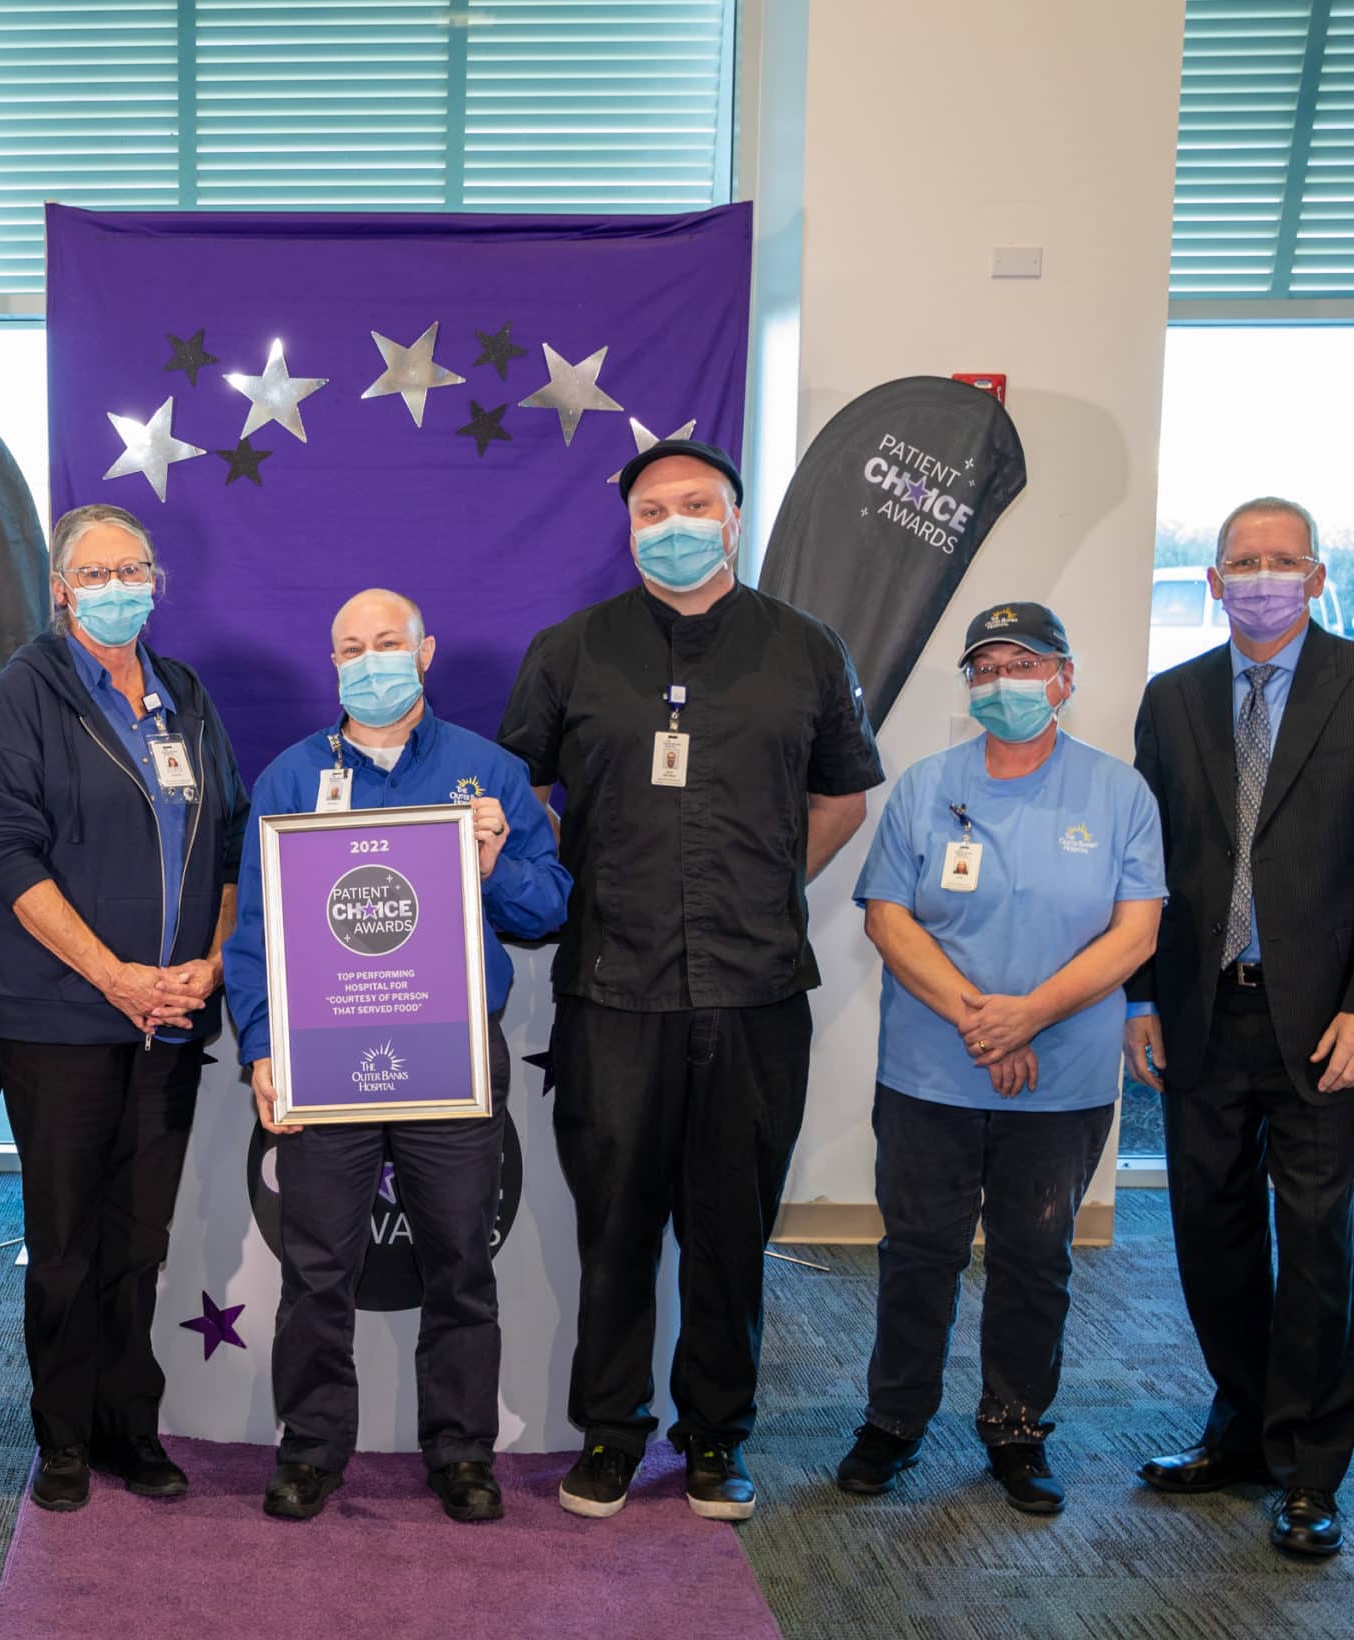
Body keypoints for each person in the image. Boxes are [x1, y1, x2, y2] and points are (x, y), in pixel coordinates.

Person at [497, 437, 884, 1524]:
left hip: (754, 989)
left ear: (732, 516)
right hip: (613, 990)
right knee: (613, 1225)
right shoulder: (570, 650)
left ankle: (717, 1436)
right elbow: (521, 796)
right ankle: (611, 1433)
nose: (673, 522)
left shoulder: (803, 648)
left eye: (695, 503)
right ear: (627, 528)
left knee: (730, 1223)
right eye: (651, 508)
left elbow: (842, 798)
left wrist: (761, 883)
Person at [1125, 498, 1354, 1559]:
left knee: (1311, 1239)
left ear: (1315, 574)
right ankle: (1243, 1425)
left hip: (1328, 1018)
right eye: (1241, 561)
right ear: (1212, 582)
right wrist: (1136, 999)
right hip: (1201, 1008)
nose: (1261, 575)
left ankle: (1308, 1468)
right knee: (1206, 1231)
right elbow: (1148, 868)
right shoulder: (1170, 700)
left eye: (1281, 559)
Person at [223, 588, 570, 1524]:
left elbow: (551, 909)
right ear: (330, 662)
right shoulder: (292, 779)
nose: (368, 660)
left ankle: (461, 1454)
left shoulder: (489, 771)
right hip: (324, 1059)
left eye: (387, 643)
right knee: (318, 1269)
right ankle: (311, 1449)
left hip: (449, 1055)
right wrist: (262, 1048)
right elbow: (254, 931)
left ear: (425, 653)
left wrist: (497, 865)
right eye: (350, 647)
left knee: (460, 1261)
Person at [0, 505, 250, 1513]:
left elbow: (229, 841)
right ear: (61, 589)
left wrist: (210, 959)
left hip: (170, 1020)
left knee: (140, 1238)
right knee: (70, 1237)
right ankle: (64, 1433)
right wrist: (113, 975)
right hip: (66, 1023)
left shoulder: (185, 695)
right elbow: (5, 852)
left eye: (134, 567)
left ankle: (133, 1424)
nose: (118, 584)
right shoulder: (24, 695)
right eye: (97, 569)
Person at [838, 602, 1163, 1512]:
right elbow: (887, 917)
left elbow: (1134, 934)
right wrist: (982, 1021)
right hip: (931, 1071)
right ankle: (893, 1422)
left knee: (1035, 1257)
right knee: (918, 1253)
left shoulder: (1118, 794)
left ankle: (1016, 1428)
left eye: (1025, 665)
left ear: (1065, 679)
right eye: (986, 668)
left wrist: (1029, 1019)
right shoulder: (925, 787)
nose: (1005, 682)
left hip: (1062, 1076)